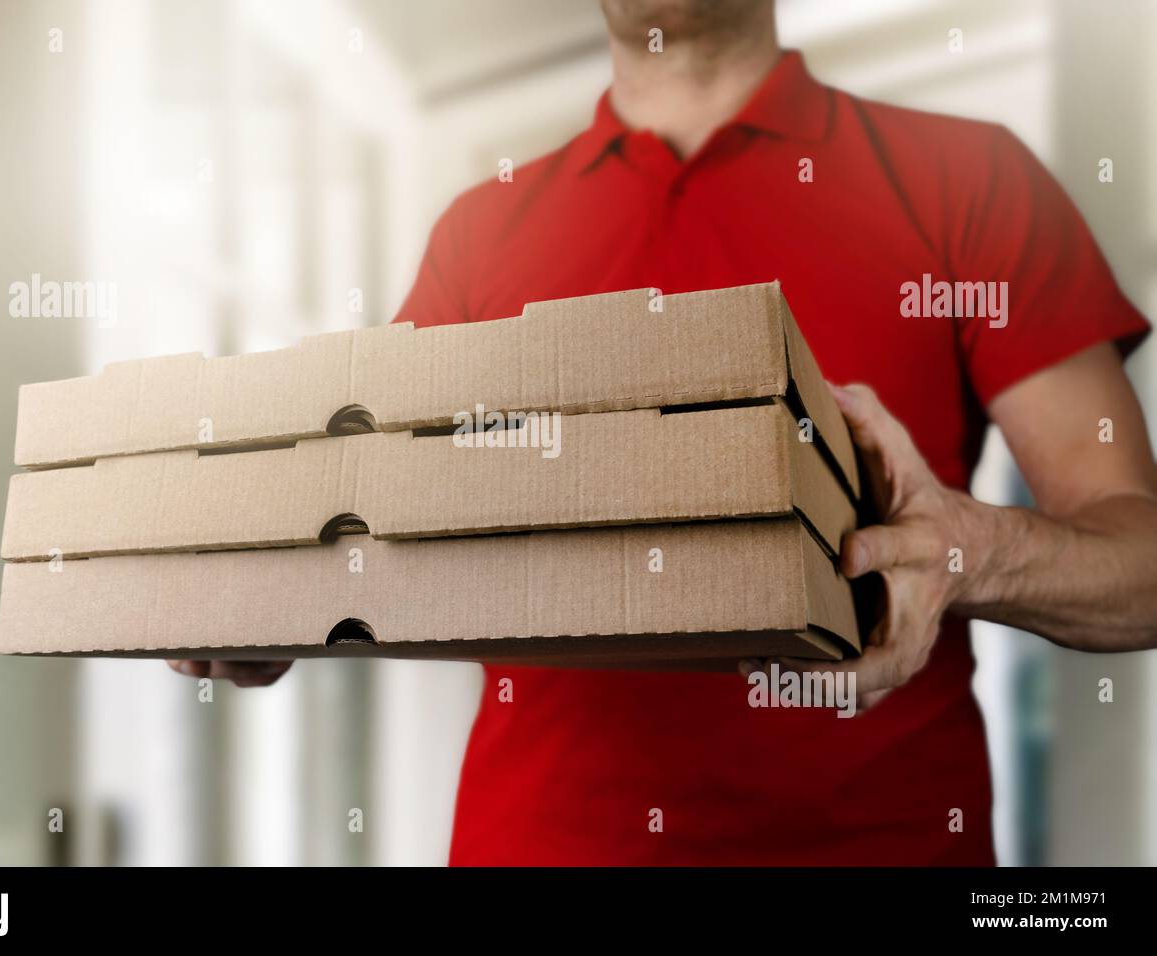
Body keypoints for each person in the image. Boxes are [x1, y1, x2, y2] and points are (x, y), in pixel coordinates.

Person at [171, 0, 1157, 864]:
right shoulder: (479, 231)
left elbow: (1141, 565)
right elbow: (374, 521)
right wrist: (271, 599)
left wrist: (966, 552)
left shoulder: (971, 178)